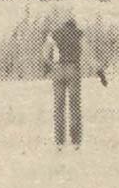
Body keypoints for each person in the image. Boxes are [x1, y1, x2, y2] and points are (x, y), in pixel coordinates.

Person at [42, 16, 106, 151]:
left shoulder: (53, 34)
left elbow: (45, 54)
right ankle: (75, 141)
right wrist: (100, 72)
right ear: (73, 25)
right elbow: (89, 55)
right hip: (73, 70)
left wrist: (50, 66)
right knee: (74, 106)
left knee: (59, 106)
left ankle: (59, 142)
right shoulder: (79, 34)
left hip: (58, 70)